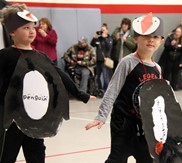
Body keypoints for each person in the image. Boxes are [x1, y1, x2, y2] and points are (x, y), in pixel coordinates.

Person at [0, 4, 95, 162]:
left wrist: (79, 94)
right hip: (10, 121)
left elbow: (59, 75)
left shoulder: (41, 56)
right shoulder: (5, 56)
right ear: (12, 32)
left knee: (37, 154)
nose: (32, 31)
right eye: (25, 28)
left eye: (33, 27)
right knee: (6, 155)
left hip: (33, 119)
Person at [85, 13, 164, 163]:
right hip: (123, 123)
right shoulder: (127, 62)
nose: (151, 40)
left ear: (161, 41)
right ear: (135, 38)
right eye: (146, 35)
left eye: (155, 37)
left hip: (145, 127)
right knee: (117, 159)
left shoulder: (157, 69)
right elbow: (113, 89)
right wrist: (102, 115)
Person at [91, 23, 113, 93]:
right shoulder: (98, 39)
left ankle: (106, 90)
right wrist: (94, 38)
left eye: (103, 30)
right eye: (101, 30)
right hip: (98, 60)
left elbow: (109, 47)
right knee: (97, 77)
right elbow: (92, 45)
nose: (102, 31)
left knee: (106, 77)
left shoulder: (109, 38)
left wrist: (105, 38)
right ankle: (100, 89)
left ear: (107, 31)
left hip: (105, 60)